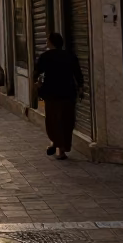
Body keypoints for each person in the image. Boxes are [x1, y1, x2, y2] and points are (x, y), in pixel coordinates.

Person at [36, 32, 84, 160]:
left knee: (53, 120)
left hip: (51, 94)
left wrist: (38, 85)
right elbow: (78, 74)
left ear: (50, 43)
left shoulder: (45, 57)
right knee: (67, 121)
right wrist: (81, 88)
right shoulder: (70, 56)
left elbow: (36, 73)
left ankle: (56, 143)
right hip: (68, 93)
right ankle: (61, 148)